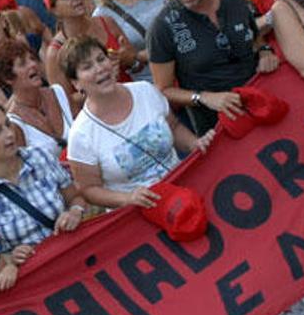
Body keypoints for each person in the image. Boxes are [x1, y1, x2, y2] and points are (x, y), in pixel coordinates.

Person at [62, 37, 214, 210]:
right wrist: (127, 198)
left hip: (185, 189)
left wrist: (195, 143)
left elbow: (174, 127)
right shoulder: (80, 135)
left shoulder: (145, 90)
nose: (99, 69)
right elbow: (88, 189)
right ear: (76, 83)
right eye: (87, 67)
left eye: (101, 59)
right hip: (139, 214)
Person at [148, 0, 280, 134]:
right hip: (219, 129)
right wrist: (204, 98)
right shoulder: (162, 27)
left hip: (263, 104)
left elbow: (254, 36)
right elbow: (163, 90)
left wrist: (264, 51)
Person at [0, 102, 87, 255]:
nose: (9, 134)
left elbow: (76, 198)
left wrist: (75, 212)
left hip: (74, 253)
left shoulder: (40, 156)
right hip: (35, 271)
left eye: (8, 125)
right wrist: (8, 258)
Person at [42, 0, 137, 94]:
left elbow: (136, 63)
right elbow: (67, 103)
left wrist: (126, 58)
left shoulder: (106, 22)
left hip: (131, 96)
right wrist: (101, 82)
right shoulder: (55, 53)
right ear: (53, 10)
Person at [0, 40, 75, 160]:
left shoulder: (59, 92)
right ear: (8, 77)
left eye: (32, 59)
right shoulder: (14, 124)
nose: (33, 64)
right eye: (23, 63)